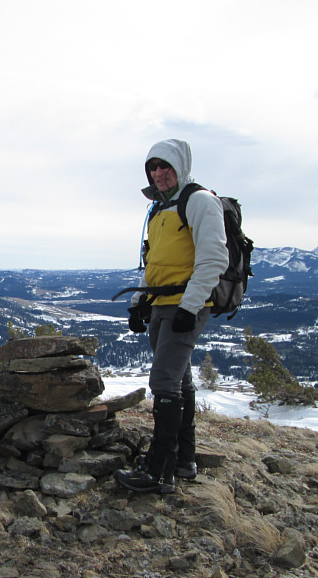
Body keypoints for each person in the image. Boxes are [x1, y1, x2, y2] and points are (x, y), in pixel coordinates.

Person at [114, 139, 228, 494]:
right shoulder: (160, 209)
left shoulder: (200, 201)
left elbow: (214, 259)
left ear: (180, 166)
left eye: (165, 166)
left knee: (163, 381)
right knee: (180, 380)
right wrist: (139, 302)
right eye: (153, 167)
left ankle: (158, 471)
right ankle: (183, 460)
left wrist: (190, 307)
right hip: (163, 303)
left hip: (186, 305)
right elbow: (153, 263)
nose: (159, 173)